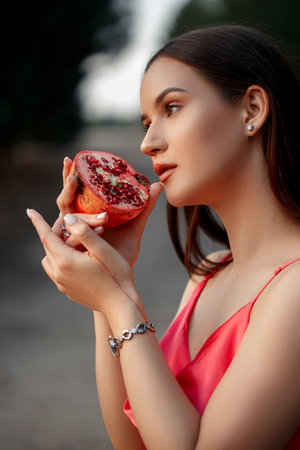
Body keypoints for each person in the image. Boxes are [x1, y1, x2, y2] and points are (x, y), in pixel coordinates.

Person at [27, 25, 300, 449]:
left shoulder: (295, 290)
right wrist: (109, 285)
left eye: (172, 108)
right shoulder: (208, 275)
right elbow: (132, 443)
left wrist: (119, 304)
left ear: (252, 108)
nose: (148, 143)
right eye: (146, 122)